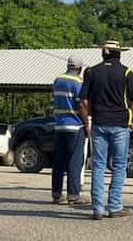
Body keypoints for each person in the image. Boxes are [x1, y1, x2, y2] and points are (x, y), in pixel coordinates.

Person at [79, 40, 133, 221]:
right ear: (119, 53)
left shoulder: (91, 72)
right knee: (119, 165)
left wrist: (91, 114)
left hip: (99, 123)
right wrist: (132, 120)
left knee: (98, 165)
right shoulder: (126, 72)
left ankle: (97, 208)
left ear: (103, 53)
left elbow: (83, 101)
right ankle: (114, 206)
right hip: (120, 124)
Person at [51, 56, 88, 205]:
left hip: (59, 125)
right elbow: (82, 105)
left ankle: (57, 194)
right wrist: (87, 124)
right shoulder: (78, 82)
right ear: (79, 68)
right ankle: (73, 195)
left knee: (59, 161)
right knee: (75, 160)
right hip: (75, 125)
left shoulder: (57, 80)